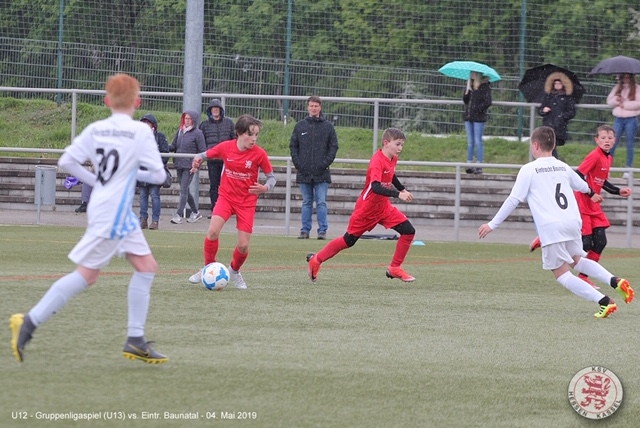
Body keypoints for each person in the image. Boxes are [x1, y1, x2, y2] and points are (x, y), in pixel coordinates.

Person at [10, 73, 169, 364]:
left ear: (107, 101)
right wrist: (129, 174)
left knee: (146, 266)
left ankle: (135, 339)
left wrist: (97, 180)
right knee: (87, 274)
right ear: (137, 102)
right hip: (115, 212)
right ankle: (29, 322)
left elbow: (66, 161)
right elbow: (159, 175)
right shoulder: (141, 132)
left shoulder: (96, 128)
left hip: (108, 208)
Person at [478, 126, 634, 318]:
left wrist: (492, 224)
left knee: (561, 273)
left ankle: (604, 301)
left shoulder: (529, 169)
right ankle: (615, 281)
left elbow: (513, 200)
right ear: (553, 145)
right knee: (577, 260)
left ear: (535, 145)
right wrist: (591, 193)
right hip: (573, 222)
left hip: (552, 227)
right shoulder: (562, 166)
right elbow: (583, 185)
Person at [306, 128, 416, 283]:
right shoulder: (377, 160)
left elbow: (390, 175)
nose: (400, 148)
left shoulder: (392, 158)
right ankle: (316, 260)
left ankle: (394, 268)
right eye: (397, 144)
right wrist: (398, 194)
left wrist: (402, 189)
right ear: (386, 143)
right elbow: (375, 187)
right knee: (348, 241)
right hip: (367, 209)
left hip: (383, 207)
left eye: (402, 145)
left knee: (409, 231)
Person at [187, 115, 276, 289]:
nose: (254, 139)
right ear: (239, 133)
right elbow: (202, 155)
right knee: (213, 231)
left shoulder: (259, 154)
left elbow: (272, 177)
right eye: (250, 134)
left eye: (256, 135)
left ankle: (234, 270)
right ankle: (208, 267)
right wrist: (197, 161)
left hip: (247, 202)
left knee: (243, 246)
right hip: (226, 198)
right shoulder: (226, 147)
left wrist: (265, 187)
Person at [574, 125, 632, 287]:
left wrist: (618, 191)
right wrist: (591, 193)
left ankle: (583, 276)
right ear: (597, 140)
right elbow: (577, 176)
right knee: (586, 244)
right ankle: (548, 239)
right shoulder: (594, 155)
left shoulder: (608, 158)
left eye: (610, 138)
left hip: (593, 206)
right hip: (583, 203)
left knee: (600, 242)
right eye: (603, 138)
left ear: (614, 140)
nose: (607, 141)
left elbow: (602, 181)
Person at [290, 96, 339, 240]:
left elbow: (333, 147)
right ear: (308, 107)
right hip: (304, 172)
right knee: (306, 202)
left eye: (316, 106)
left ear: (320, 108)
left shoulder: (328, 127)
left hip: (322, 173)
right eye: (311, 106)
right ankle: (305, 231)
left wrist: (324, 163)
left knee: (321, 202)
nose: (313, 108)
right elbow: (293, 146)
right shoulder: (300, 126)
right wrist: (299, 164)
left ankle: (322, 231)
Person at [199, 99, 236, 219]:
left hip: (227, 160)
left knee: (228, 186)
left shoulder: (229, 123)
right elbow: (201, 141)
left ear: (221, 110)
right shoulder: (204, 125)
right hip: (213, 160)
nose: (215, 111)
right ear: (210, 111)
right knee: (214, 186)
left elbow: (234, 139)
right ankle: (215, 209)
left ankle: (228, 209)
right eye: (213, 109)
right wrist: (205, 154)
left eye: (217, 109)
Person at [168, 110, 206, 224]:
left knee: (183, 190)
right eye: (186, 118)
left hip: (189, 166)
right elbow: (174, 146)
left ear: (194, 120)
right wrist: (163, 146)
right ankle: (196, 212)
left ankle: (178, 214)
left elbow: (202, 151)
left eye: (189, 119)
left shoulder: (198, 133)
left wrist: (196, 166)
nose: (187, 121)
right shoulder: (180, 131)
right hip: (179, 164)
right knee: (185, 190)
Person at [138, 113, 170, 230]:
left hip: (154, 172)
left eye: (148, 123)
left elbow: (165, 154)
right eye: (144, 123)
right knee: (143, 196)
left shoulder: (160, 137)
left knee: (155, 196)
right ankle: (143, 219)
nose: (146, 125)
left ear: (153, 125)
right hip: (142, 172)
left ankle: (155, 221)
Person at [607, 73, 640, 178]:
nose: (626, 79)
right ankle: (607, 168)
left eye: (628, 77)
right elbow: (609, 101)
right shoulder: (617, 88)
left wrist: (624, 105)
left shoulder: (637, 88)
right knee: (612, 143)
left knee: (629, 144)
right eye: (624, 77)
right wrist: (616, 100)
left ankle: (628, 169)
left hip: (631, 119)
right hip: (619, 119)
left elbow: (638, 103)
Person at [538, 72, 576, 159]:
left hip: (559, 126)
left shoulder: (567, 97)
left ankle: (554, 162)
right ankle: (553, 162)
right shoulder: (548, 96)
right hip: (548, 125)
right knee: (548, 146)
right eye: (555, 83)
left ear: (563, 84)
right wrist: (544, 110)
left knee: (552, 146)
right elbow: (540, 110)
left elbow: (571, 112)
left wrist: (562, 117)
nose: (557, 85)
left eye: (559, 83)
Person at [463, 72, 492, 174]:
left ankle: (479, 164)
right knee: (470, 141)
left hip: (478, 117)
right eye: (471, 73)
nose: (471, 74)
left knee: (478, 141)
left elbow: (488, 102)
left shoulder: (484, 86)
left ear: (478, 74)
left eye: (474, 73)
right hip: (469, 117)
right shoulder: (470, 85)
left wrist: (478, 109)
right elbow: (466, 101)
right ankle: (469, 163)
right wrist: (467, 92)